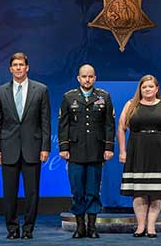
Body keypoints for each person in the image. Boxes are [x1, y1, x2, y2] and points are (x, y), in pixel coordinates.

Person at [0, 52, 51, 239]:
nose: (18, 68)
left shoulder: (41, 90)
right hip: (8, 149)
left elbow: (45, 121)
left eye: (21, 64)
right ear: (10, 69)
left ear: (27, 67)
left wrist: (45, 147)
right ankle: (12, 229)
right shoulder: (0, 91)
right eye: (15, 65)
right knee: (9, 194)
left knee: (32, 193)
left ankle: (28, 229)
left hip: (32, 149)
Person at [118, 75, 161, 238]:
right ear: (140, 89)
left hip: (160, 152)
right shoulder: (130, 105)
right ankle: (140, 227)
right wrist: (122, 151)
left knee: (156, 191)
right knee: (138, 192)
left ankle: (151, 227)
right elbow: (121, 128)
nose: (147, 89)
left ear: (157, 88)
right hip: (137, 152)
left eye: (150, 87)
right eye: (144, 87)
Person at [58, 64, 115, 239]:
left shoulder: (104, 97)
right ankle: (80, 227)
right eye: (84, 76)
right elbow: (63, 125)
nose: (87, 79)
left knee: (93, 191)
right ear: (78, 78)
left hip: (96, 151)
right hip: (75, 151)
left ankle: (92, 227)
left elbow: (109, 125)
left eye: (90, 76)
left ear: (95, 78)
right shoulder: (69, 97)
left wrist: (109, 147)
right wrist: (64, 147)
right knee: (77, 191)